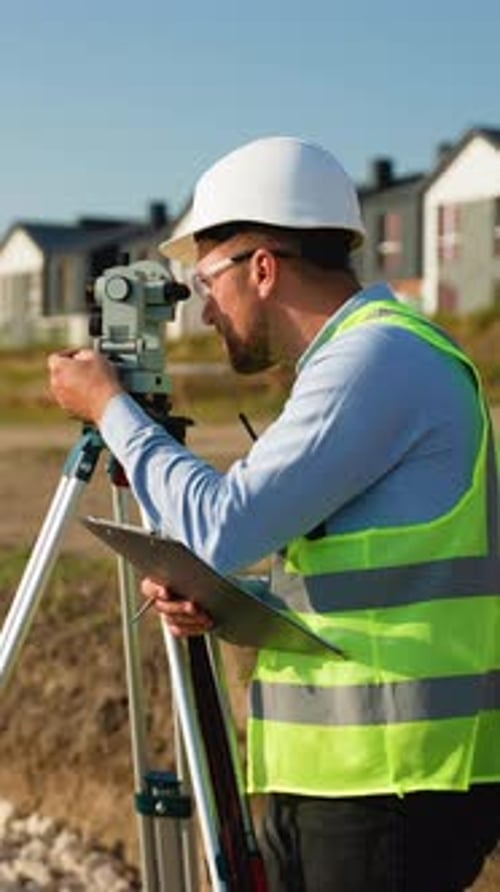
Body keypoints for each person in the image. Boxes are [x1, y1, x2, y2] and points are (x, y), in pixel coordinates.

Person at [48, 136, 500, 891]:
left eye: (206, 281)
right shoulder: (354, 363)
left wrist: (111, 408)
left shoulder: (380, 359)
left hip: (388, 781)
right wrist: (229, 605)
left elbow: (221, 527)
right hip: (340, 774)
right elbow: (361, 584)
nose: (200, 315)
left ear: (263, 267)